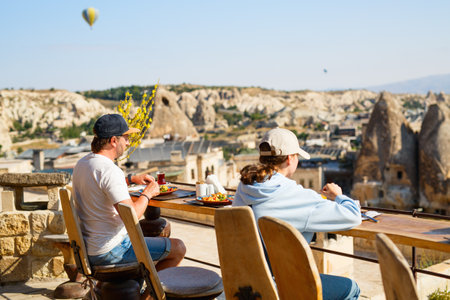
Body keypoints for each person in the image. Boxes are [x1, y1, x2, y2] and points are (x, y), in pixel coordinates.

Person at [233, 127, 361, 300]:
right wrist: (338, 196)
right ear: (290, 158)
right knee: (351, 288)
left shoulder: (244, 187)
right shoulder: (296, 195)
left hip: (246, 282)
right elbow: (352, 216)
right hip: (280, 285)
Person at [72, 113, 186, 271]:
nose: (128, 142)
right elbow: (132, 215)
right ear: (113, 141)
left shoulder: (83, 163)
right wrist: (148, 193)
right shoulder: (109, 170)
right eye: (125, 137)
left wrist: (131, 179)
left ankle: (141, 286)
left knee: (150, 239)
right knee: (178, 247)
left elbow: (101, 184)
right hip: (111, 250)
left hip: (90, 247)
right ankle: (149, 295)